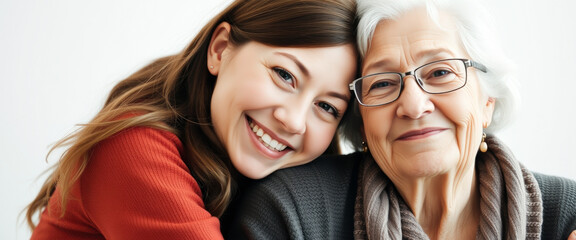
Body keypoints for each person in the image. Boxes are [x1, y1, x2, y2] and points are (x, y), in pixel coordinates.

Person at [221, 0, 576, 239]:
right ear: (360, 121)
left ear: (487, 100)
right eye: (383, 83)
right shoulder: (292, 213)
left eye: (439, 72)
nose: (413, 105)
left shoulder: (567, 213)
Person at [24, 0, 359, 239]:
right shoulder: (131, 147)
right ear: (220, 49)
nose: (294, 121)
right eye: (284, 75)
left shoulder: (292, 186)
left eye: (327, 107)